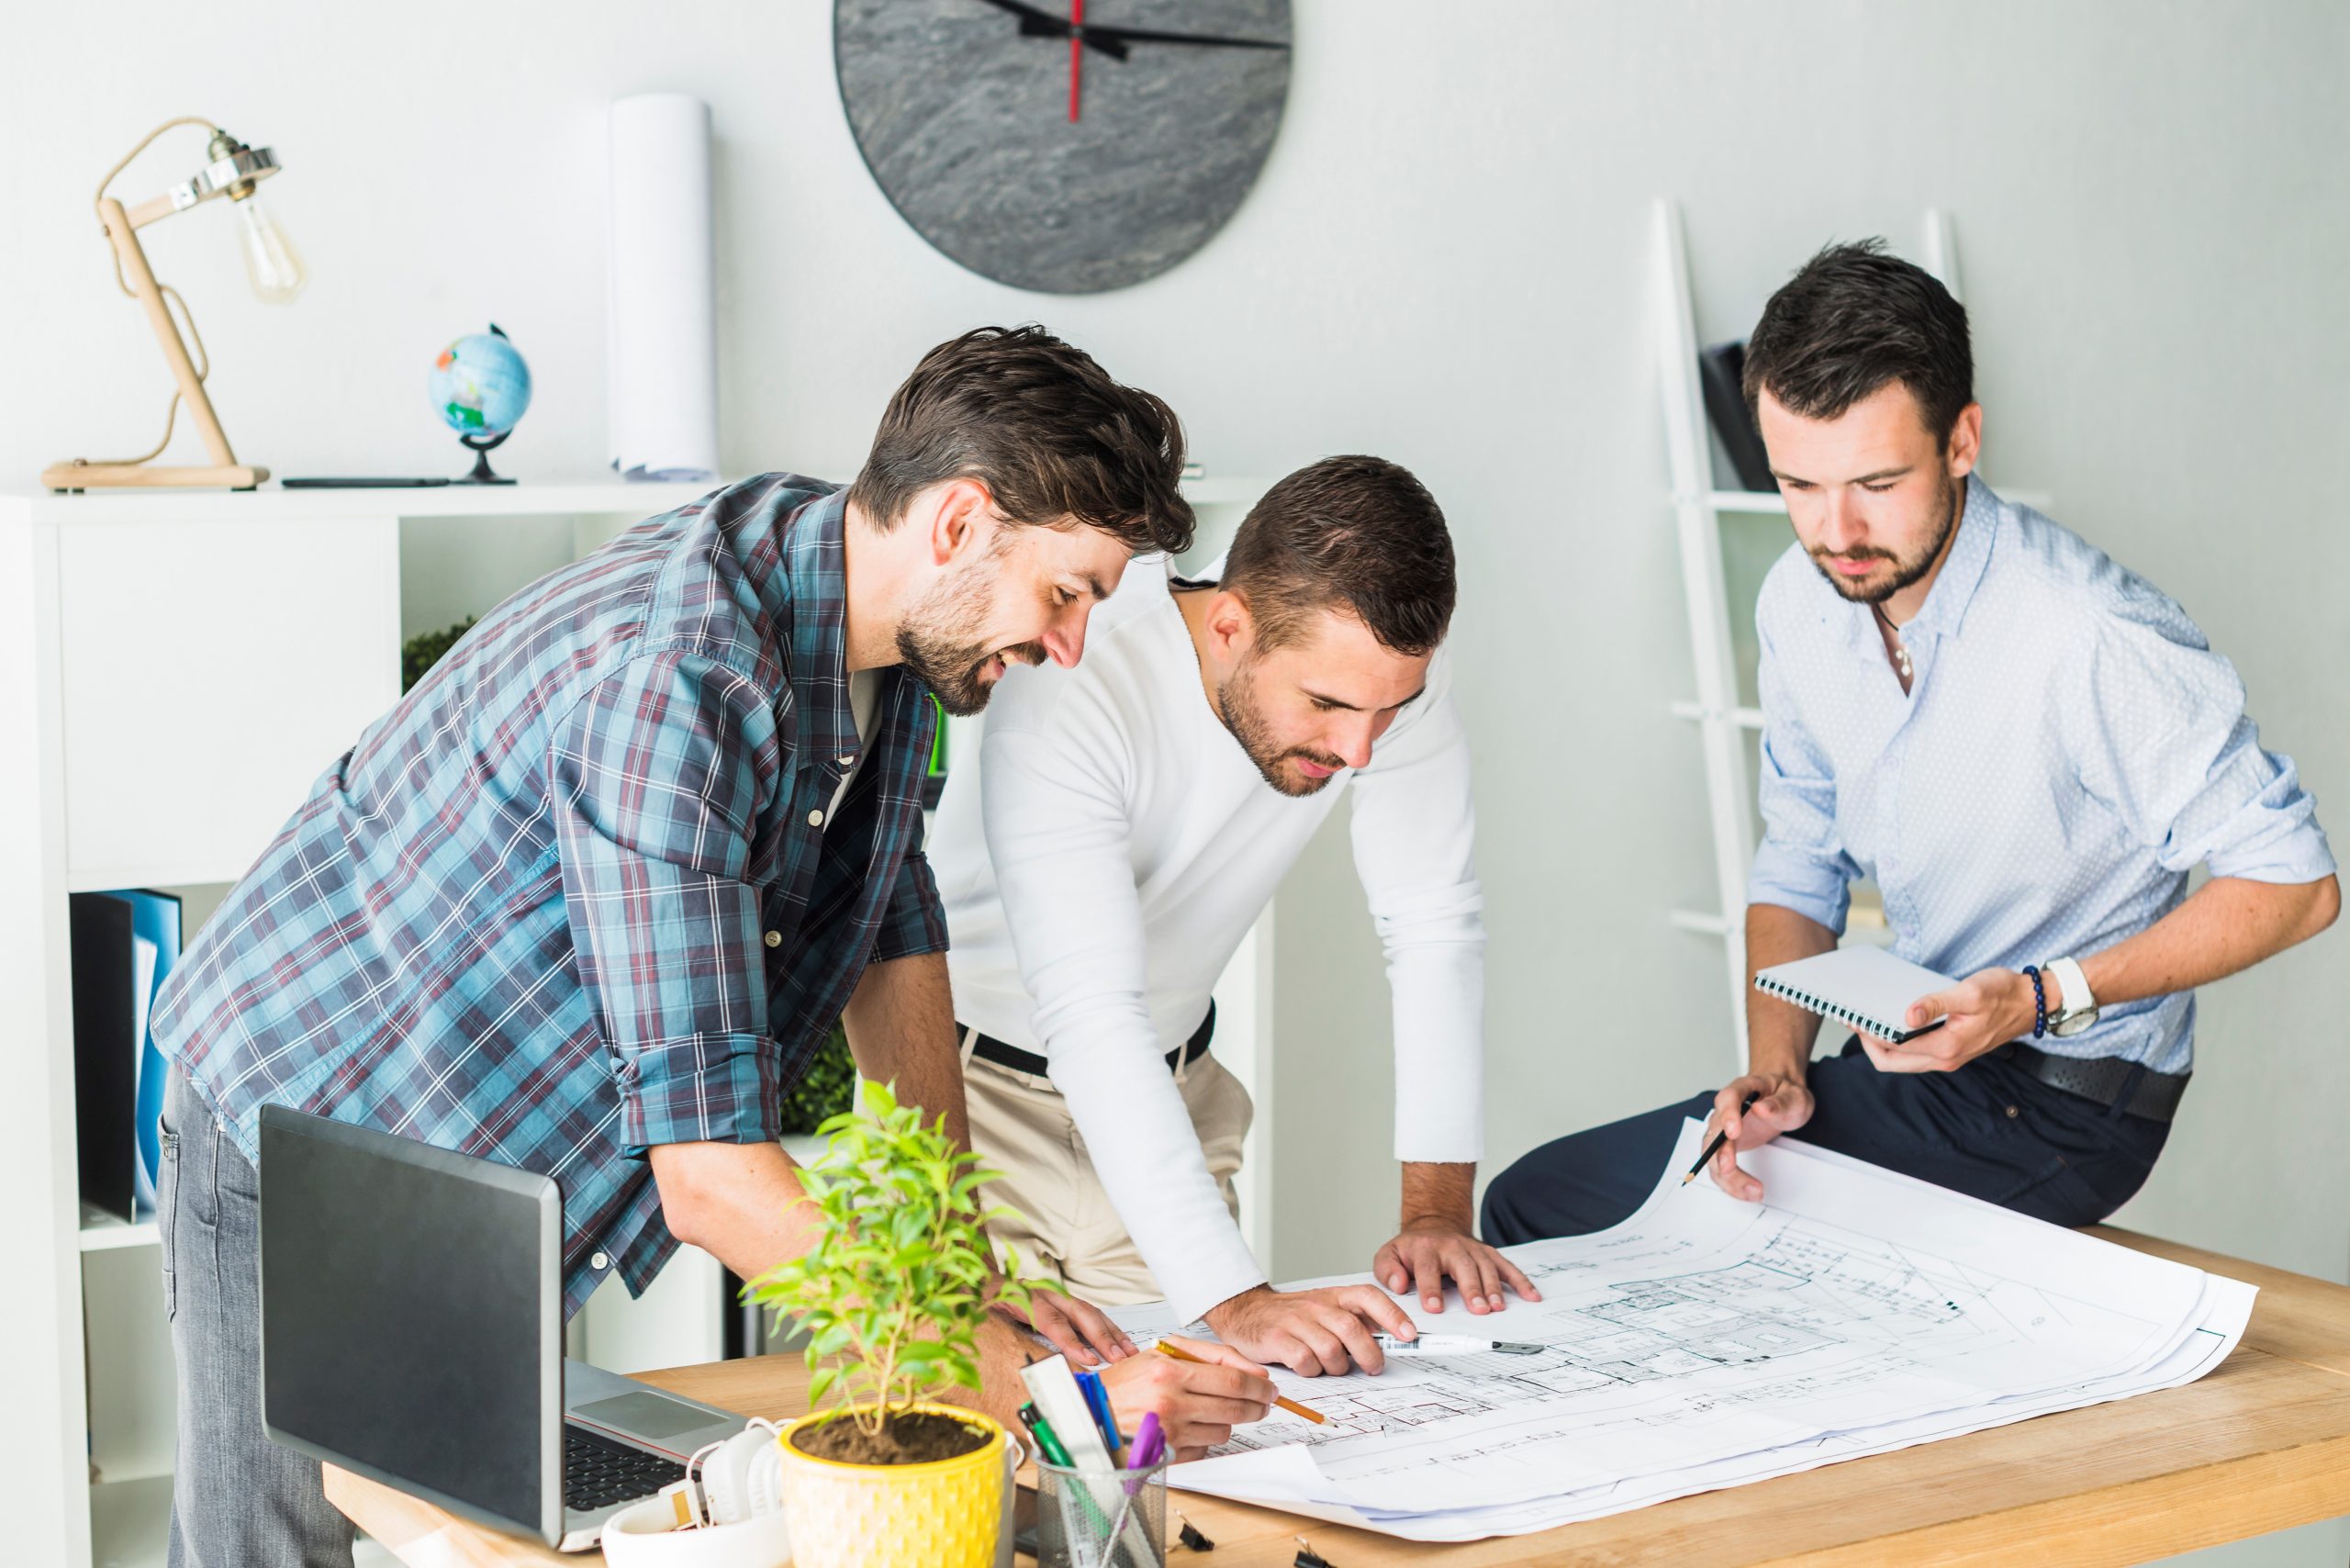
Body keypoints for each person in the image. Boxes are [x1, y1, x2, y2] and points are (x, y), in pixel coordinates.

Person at [150, 326, 1276, 1568]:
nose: (1069, 643)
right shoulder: (681, 680)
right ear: (957, 524)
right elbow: (713, 1180)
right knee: (281, 1544)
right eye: (1066, 593)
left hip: (474, 1152)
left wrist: (962, 1258)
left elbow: (890, 921)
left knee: (470, 1529)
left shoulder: (878, 624)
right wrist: (973, 1346)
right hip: (305, 1104)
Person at [1483, 241, 2339, 1244]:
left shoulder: (2090, 634)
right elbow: (1798, 860)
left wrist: (2034, 997)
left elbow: (2295, 884)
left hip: (2066, 1101)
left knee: (1543, 1208)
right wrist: (1780, 1071)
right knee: (1606, 1216)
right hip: (1898, 1054)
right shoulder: (1799, 605)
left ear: (1962, 441)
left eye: (1876, 483)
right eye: (1798, 484)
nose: (1835, 530)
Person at [931, 454, 1539, 1381]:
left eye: (1389, 709)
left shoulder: (1381, 684)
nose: (1359, 749)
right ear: (1228, 625)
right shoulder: (1077, 669)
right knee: (973, 1444)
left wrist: (1436, 1212)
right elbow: (1090, 1008)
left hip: (1174, 1101)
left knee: (1189, 1462)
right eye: (1327, 705)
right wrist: (1235, 1298)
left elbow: (1432, 925)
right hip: (968, 1114)